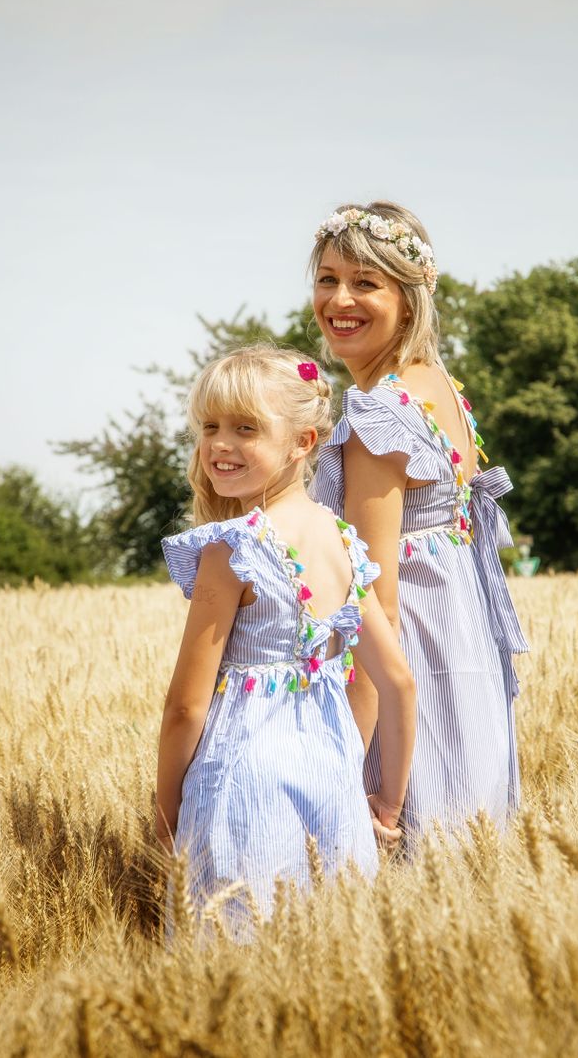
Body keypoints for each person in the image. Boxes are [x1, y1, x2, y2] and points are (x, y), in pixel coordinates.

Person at [156, 344, 417, 926]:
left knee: (232, 963)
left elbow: (185, 708)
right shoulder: (345, 543)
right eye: (210, 426)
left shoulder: (233, 549)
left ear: (302, 443)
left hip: (242, 787)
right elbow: (398, 683)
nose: (220, 444)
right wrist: (388, 809)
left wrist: (164, 820)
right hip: (335, 784)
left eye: (245, 428)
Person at [307, 202, 529, 837]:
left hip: (417, 672)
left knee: (410, 848)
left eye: (365, 282)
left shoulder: (380, 414)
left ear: (409, 297)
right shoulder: (438, 385)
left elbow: (375, 605)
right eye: (327, 278)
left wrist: (350, 760)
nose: (339, 298)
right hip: (466, 654)